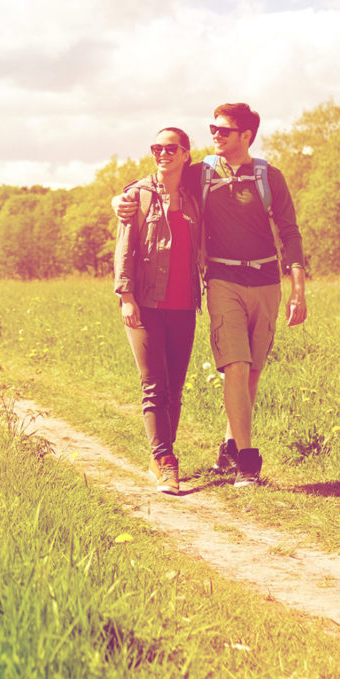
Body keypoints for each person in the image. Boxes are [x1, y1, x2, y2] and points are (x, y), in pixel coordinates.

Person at [115, 102, 305, 487]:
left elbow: (290, 233)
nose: (215, 135)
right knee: (234, 366)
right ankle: (245, 462)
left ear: (246, 136)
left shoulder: (270, 176)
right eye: (212, 129)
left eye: (223, 130)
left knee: (251, 373)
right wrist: (117, 200)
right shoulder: (200, 172)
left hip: (265, 282)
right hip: (220, 281)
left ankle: (229, 448)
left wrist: (297, 289)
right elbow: (150, 183)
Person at [113, 125, 206, 495]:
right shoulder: (138, 195)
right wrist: (126, 295)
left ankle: (162, 457)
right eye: (157, 148)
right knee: (154, 386)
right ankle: (165, 459)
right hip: (146, 303)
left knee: (176, 389)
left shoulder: (196, 195)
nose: (162, 153)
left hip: (184, 305)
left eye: (170, 148)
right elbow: (124, 247)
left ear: (186, 154)